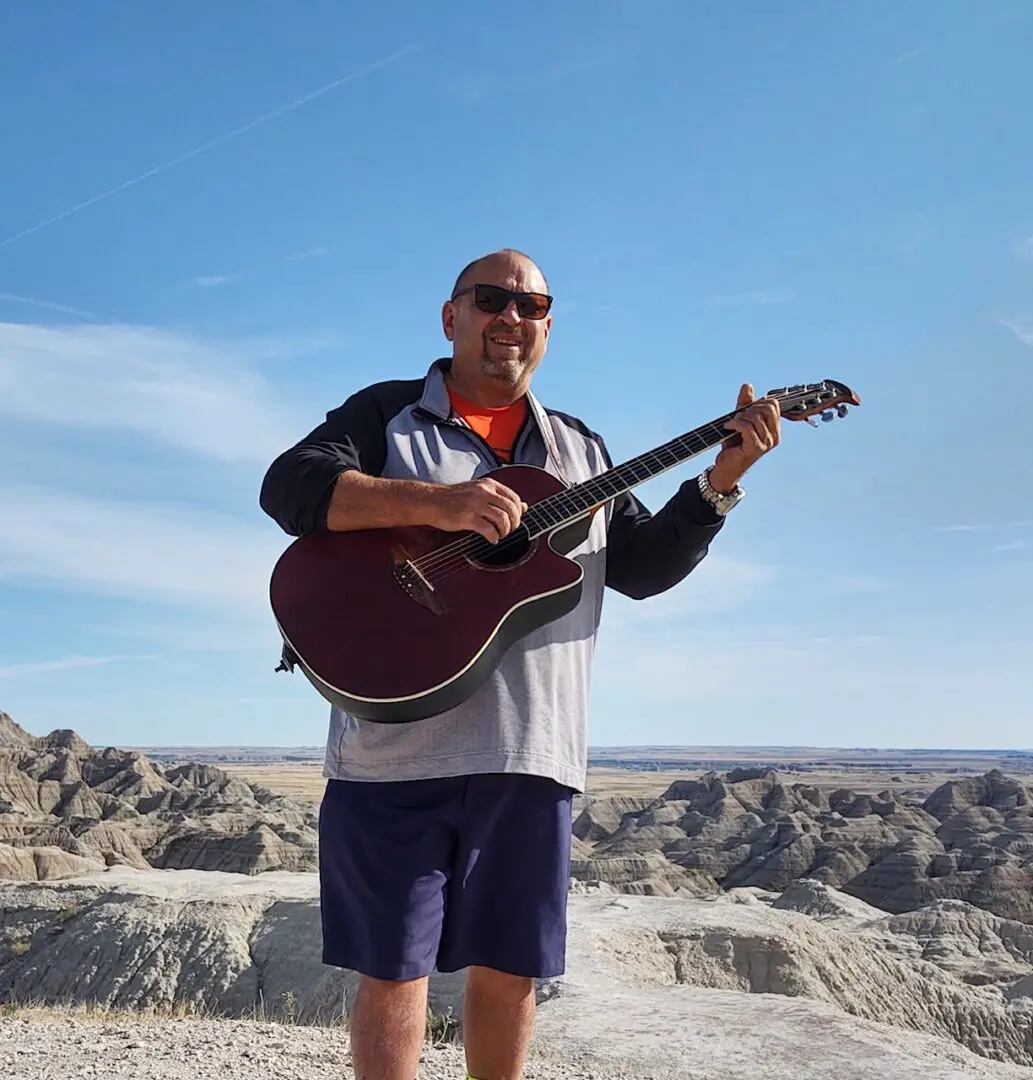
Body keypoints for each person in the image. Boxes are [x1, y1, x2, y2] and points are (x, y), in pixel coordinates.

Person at [259, 249, 780, 1080]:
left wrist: (717, 484)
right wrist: (439, 503)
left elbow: (639, 567)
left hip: (530, 751)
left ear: (547, 327)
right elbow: (289, 487)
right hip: (391, 755)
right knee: (393, 973)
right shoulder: (386, 414)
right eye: (492, 299)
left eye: (533, 305)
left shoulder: (580, 447)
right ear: (451, 316)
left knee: (509, 972)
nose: (512, 317)